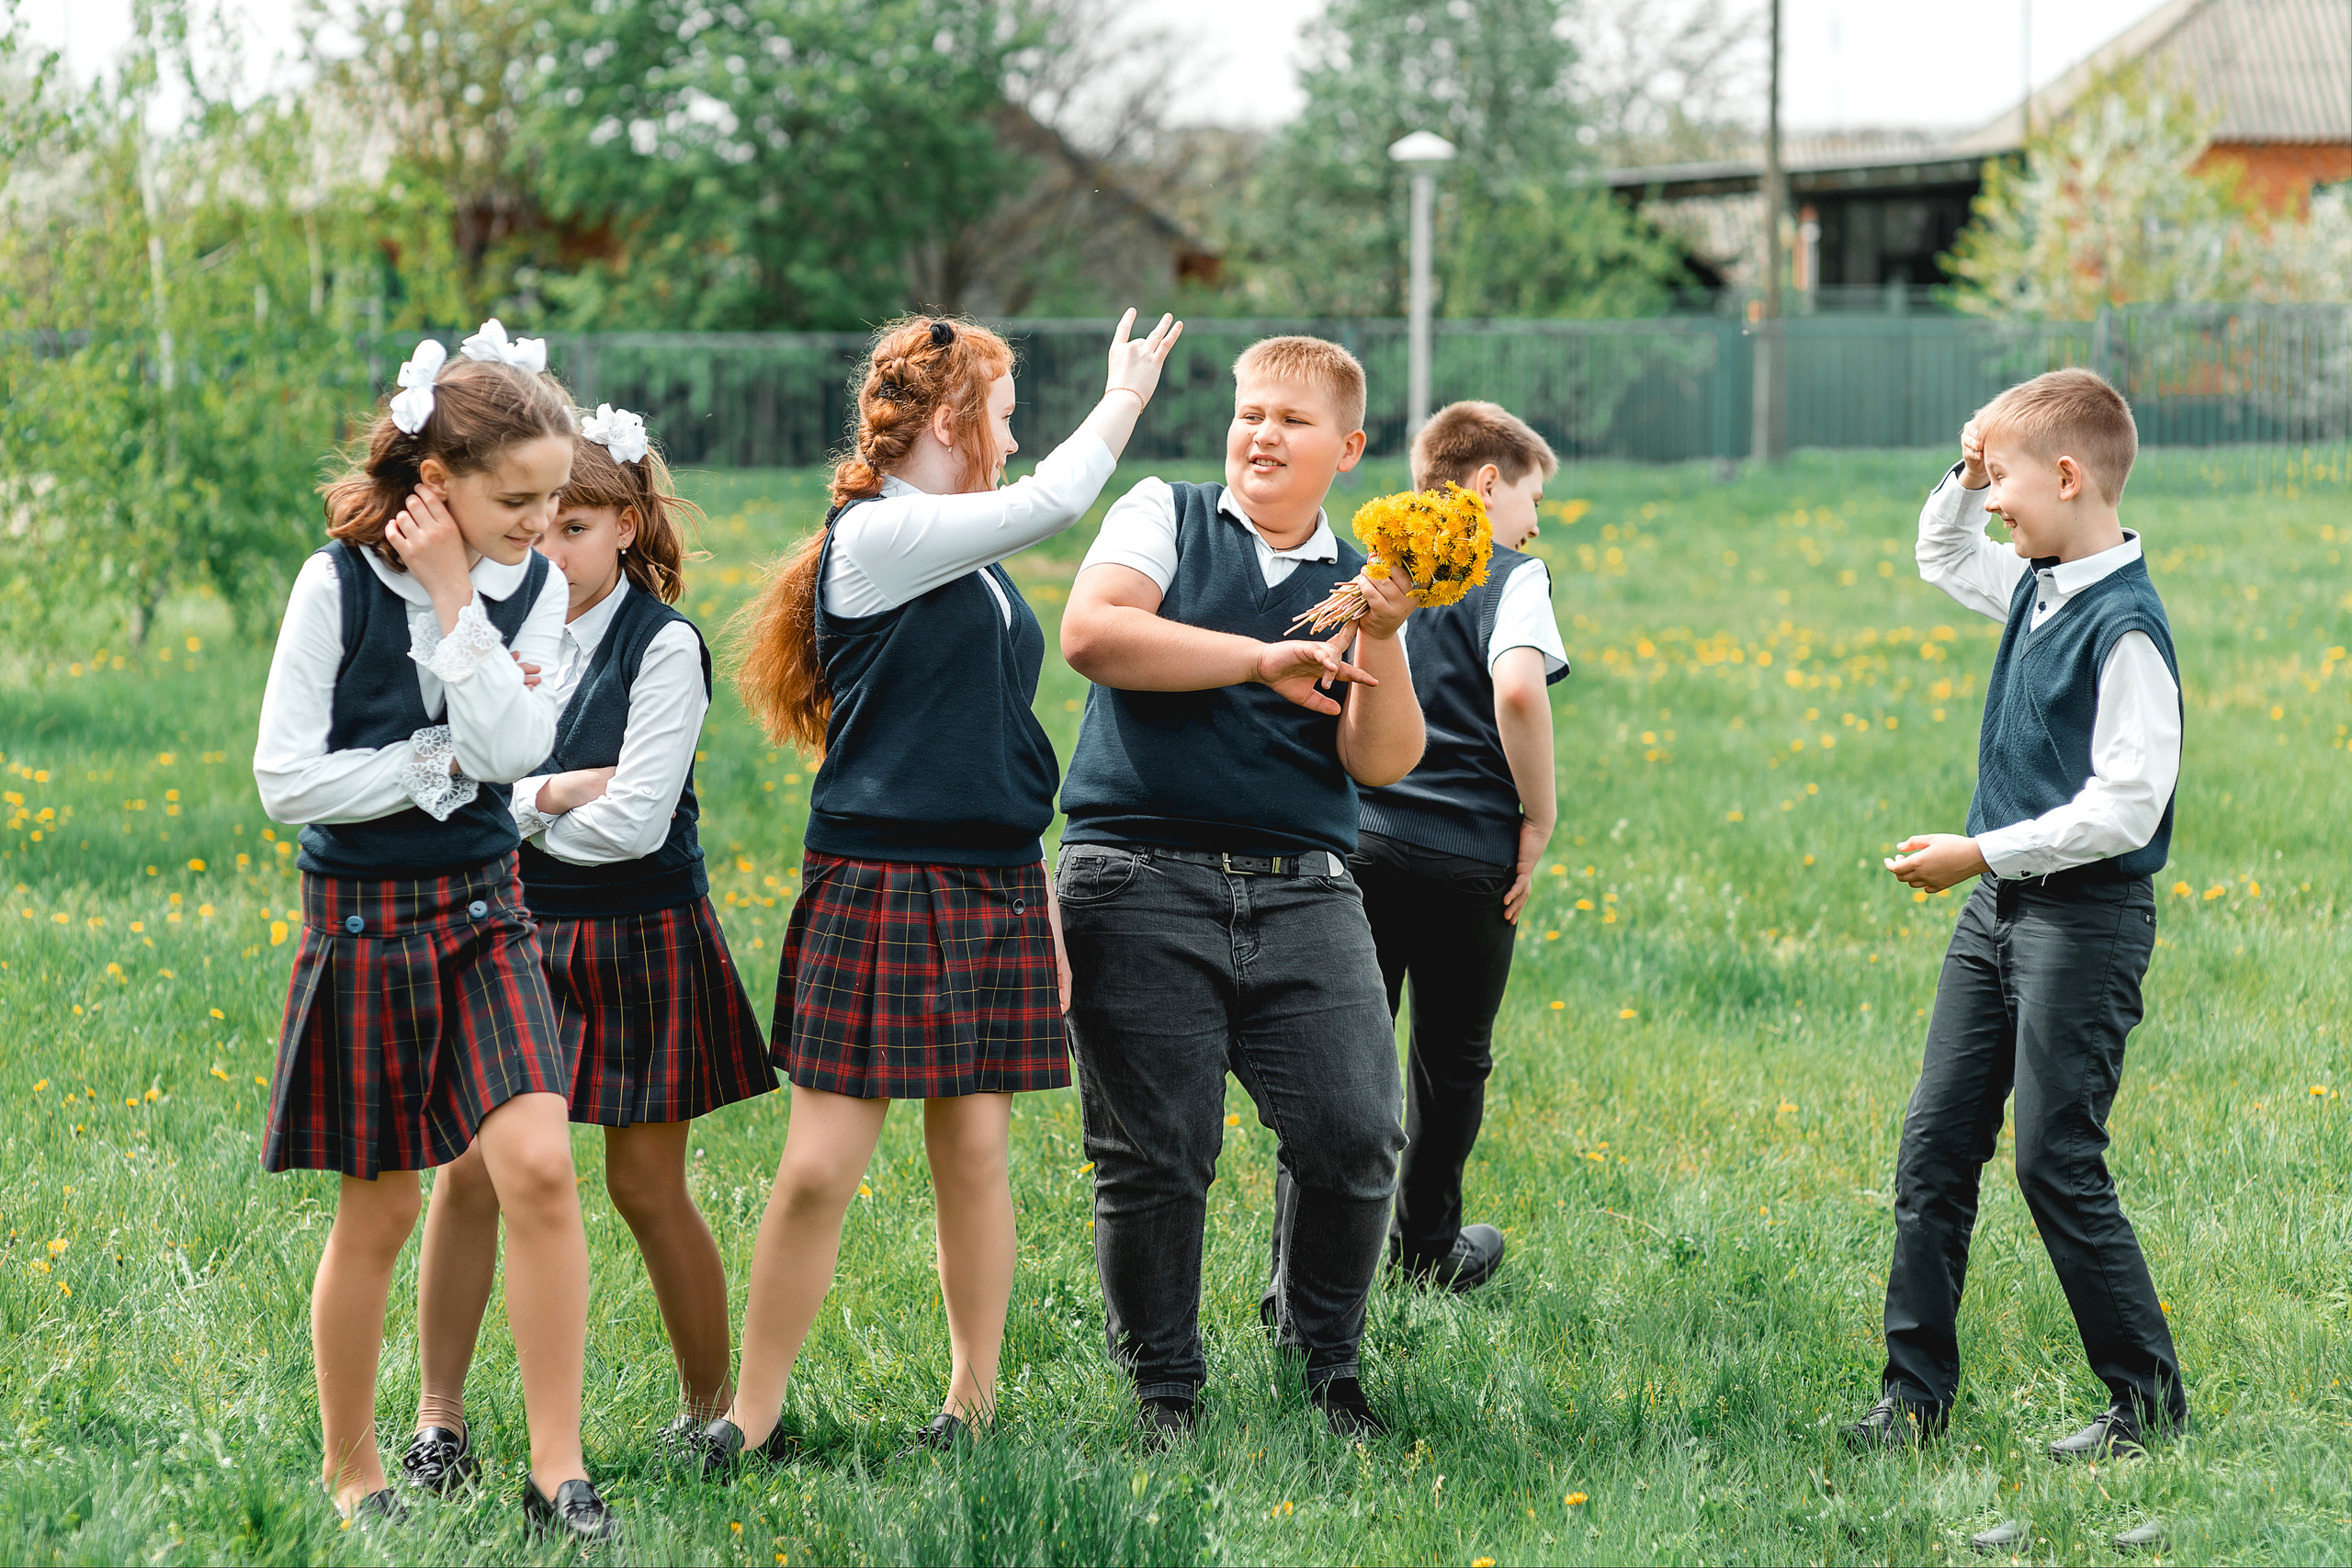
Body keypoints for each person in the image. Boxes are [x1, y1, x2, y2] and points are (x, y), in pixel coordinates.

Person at [701, 309, 1184, 1473]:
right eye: (1005, 420)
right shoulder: (877, 536)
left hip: (991, 882)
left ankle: (970, 1405)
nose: (1013, 446)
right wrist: (1121, 398)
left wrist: (1042, 902)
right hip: (878, 879)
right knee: (820, 1165)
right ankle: (747, 1417)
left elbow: (993, 743)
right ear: (956, 418)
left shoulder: (963, 558)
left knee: (974, 1156)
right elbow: (1055, 500)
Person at [250, 322, 620, 1541]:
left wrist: (464, 594)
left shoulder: (529, 586)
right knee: (383, 1210)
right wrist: (421, 762)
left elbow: (518, 754)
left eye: (556, 495)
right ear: (435, 480)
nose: (540, 516)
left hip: (484, 911)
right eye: (516, 495)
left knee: (542, 1167)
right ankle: (354, 1470)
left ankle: (557, 1463)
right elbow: (286, 780)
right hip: (361, 921)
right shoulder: (335, 584)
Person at [397, 405, 776, 1494]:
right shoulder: (489, 629)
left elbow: (637, 822)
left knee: (648, 1186)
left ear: (626, 527)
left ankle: (718, 1414)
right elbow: (445, 785)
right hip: (506, 931)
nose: (552, 549)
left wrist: (511, 803)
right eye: (540, 525)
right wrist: (551, 790)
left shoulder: (664, 649)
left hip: (640, 935)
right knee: (469, 1174)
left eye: (579, 528)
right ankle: (441, 1423)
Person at [1056, 335, 1423, 1442]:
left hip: (1306, 886)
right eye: (1249, 412)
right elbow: (1095, 635)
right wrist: (1261, 659)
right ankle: (1165, 1388)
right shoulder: (1163, 513)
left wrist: (1385, 636)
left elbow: (1383, 763)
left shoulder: (1358, 578)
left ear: (1347, 449)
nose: (1261, 434)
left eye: (1291, 421)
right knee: (1158, 1154)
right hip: (1136, 872)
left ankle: (1324, 1363)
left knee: (1356, 1135)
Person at [1850, 368, 2188, 1461]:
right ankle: (1915, 1396)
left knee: (2054, 1159)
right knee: (1935, 1153)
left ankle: (2146, 1406)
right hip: (1994, 913)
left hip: (2080, 924)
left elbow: (2124, 806)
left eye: (2002, 484)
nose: (1990, 503)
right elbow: (1941, 555)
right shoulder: (2035, 584)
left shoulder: (2124, 628)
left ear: (2068, 475)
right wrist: (1962, 466)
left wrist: (1977, 852)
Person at [1351, 401, 1568, 1293]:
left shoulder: (1368, 577)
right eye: (1532, 498)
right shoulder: (1511, 573)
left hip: (1359, 840)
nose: (1533, 520)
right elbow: (1518, 691)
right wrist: (1539, 818)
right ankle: (1424, 1248)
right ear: (1487, 482)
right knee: (1450, 1062)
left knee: (1341, 1063)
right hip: (1468, 854)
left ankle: (1309, 1271)